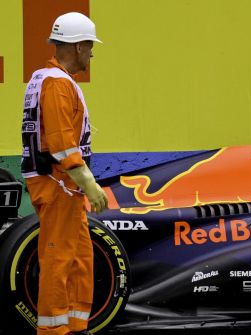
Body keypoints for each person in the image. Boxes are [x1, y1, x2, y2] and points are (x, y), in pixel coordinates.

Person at [20, 12, 108, 335]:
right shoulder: (56, 84)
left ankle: (74, 326)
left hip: (64, 187)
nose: (92, 54)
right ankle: (55, 331)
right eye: (90, 46)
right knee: (59, 261)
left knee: (80, 259)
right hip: (60, 185)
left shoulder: (45, 79)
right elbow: (60, 144)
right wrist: (90, 183)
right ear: (78, 46)